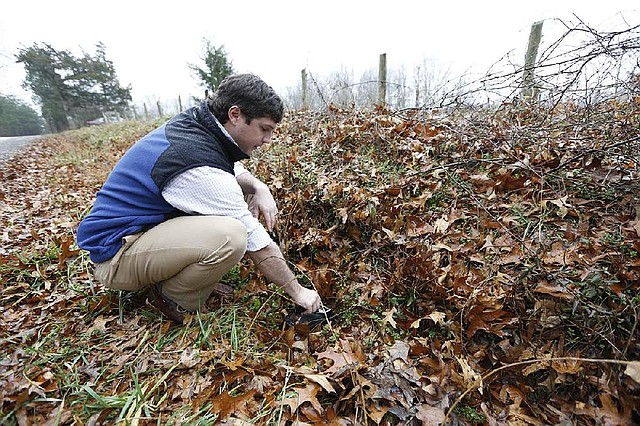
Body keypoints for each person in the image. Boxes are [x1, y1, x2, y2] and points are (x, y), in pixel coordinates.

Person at [76, 73, 322, 325]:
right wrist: (298, 292)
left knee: (237, 208)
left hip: (138, 234)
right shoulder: (192, 158)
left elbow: (229, 170)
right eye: (264, 129)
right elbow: (256, 242)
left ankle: (182, 278)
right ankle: (173, 297)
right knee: (232, 235)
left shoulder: (200, 126)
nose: (267, 140)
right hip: (116, 255)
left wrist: (259, 187)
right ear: (235, 115)